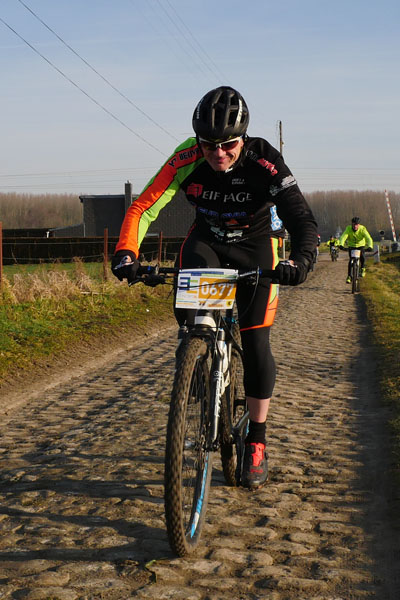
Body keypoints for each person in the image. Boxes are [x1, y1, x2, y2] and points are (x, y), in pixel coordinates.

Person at [111, 86, 318, 489]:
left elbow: (301, 218)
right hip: (207, 242)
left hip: (256, 246)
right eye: (208, 145)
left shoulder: (264, 160)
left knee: (256, 342)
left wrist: (301, 260)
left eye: (228, 145)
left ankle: (256, 440)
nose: (218, 153)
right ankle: (197, 359)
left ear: (243, 138)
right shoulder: (186, 157)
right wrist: (126, 252)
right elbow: (143, 206)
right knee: (192, 318)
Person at [339, 217, 373, 283]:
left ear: (359, 224)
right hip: (351, 246)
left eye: (356, 224)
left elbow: (368, 238)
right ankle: (349, 276)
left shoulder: (362, 229)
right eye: (354, 224)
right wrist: (341, 245)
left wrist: (370, 246)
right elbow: (343, 237)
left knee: (362, 256)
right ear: (351, 224)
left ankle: (362, 268)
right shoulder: (348, 229)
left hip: (361, 245)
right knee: (351, 260)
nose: (355, 226)